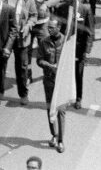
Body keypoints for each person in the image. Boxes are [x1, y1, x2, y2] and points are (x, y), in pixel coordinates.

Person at [56, 0, 94, 109]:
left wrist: (87, 50)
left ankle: (78, 98)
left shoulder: (85, 9)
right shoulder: (61, 8)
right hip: (65, 46)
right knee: (65, 73)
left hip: (79, 48)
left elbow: (90, 31)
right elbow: (57, 26)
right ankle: (65, 97)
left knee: (78, 74)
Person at [4, 0, 38, 106]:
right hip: (6, 36)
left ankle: (23, 94)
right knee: (2, 65)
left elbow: (34, 16)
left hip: (22, 38)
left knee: (22, 67)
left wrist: (28, 25)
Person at [36, 17, 66, 153]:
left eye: (52, 27)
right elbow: (39, 60)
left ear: (59, 27)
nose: (49, 29)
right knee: (50, 109)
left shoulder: (66, 41)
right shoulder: (44, 42)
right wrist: (49, 65)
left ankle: (61, 140)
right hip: (49, 80)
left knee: (61, 111)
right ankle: (54, 134)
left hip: (62, 81)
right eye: (48, 27)